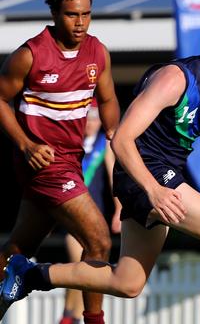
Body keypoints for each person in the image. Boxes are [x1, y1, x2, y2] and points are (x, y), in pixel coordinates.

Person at [0, 0, 200, 324]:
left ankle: (31, 275)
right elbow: (123, 138)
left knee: (127, 283)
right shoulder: (176, 79)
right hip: (142, 171)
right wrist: (153, 190)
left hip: (164, 176)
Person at [0, 0, 120, 324]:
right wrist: (25, 143)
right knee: (98, 240)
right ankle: (93, 321)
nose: (80, 22)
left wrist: (116, 133)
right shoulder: (31, 55)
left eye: (86, 14)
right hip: (44, 163)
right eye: (72, 14)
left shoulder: (98, 53)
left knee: (18, 249)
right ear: (54, 14)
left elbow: (109, 99)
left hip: (72, 160)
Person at [60, 102, 122, 324]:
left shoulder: (103, 145)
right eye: (88, 118)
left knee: (85, 267)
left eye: (95, 118)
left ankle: (72, 316)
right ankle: (73, 316)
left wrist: (119, 209)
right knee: (78, 262)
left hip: (94, 214)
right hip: (70, 214)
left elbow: (114, 176)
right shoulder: (70, 143)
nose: (91, 123)